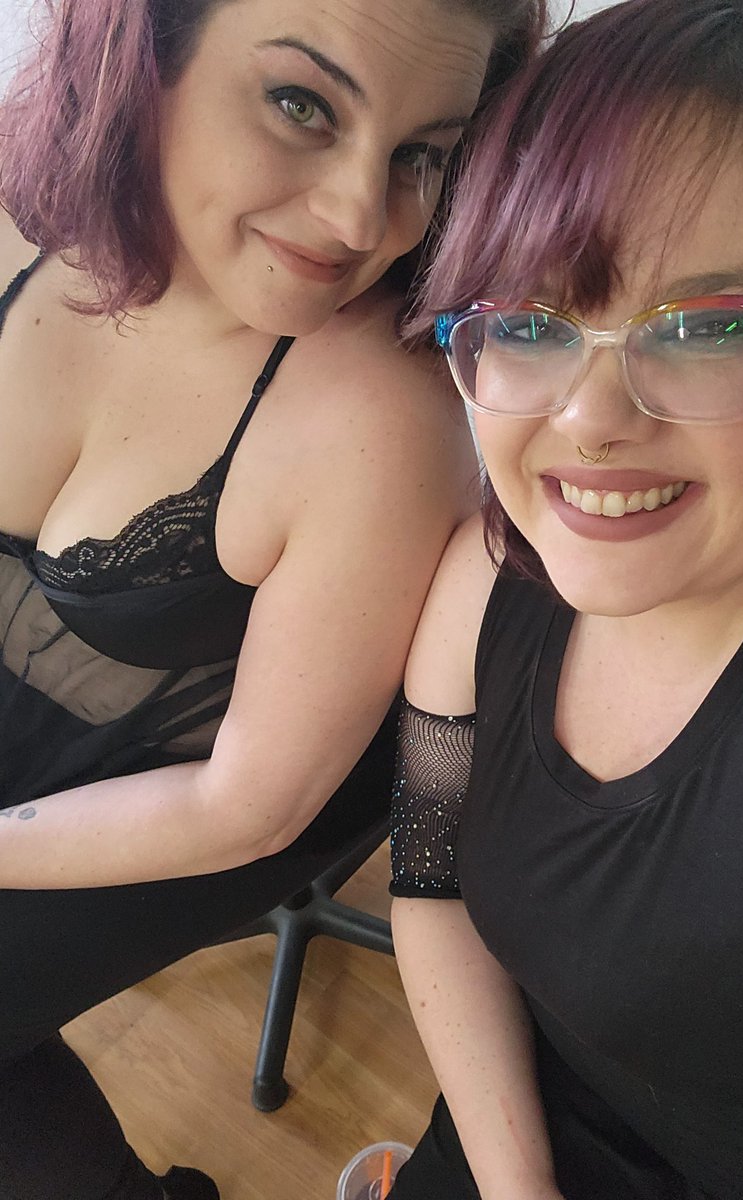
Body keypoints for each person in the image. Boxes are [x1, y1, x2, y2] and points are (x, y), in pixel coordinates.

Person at [0, 1, 549, 1197]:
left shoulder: (376, 420)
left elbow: (247, 806)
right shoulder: (16, 210)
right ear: (141, 58)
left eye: (423, 154)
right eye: (303, 104)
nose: (362, 216)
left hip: (216, 788)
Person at [387, 2, 743, 1198]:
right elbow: (430, 882)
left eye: (710, 329)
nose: (591, 418)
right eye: (530, 322)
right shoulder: (489, 576)